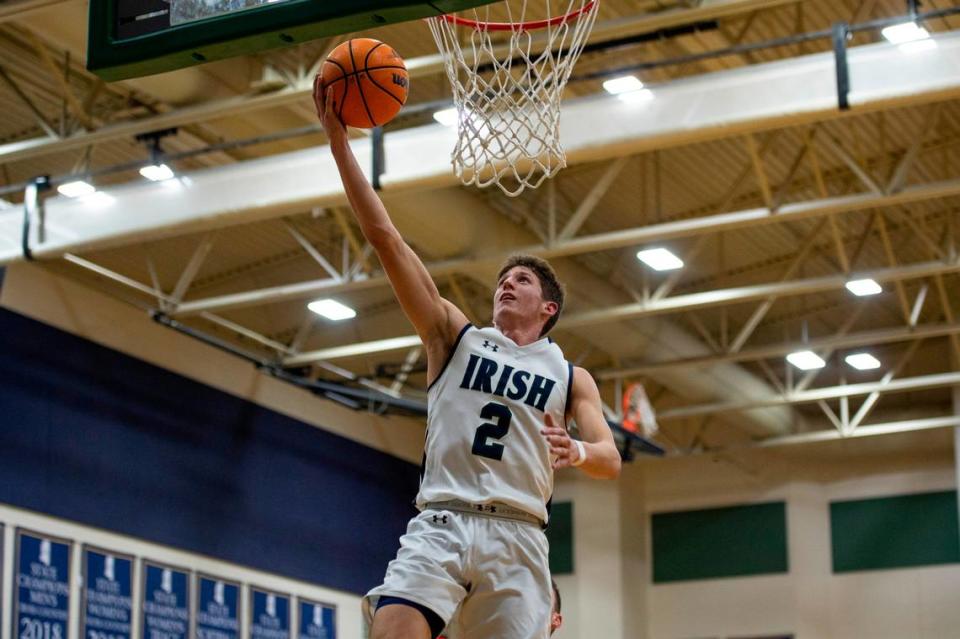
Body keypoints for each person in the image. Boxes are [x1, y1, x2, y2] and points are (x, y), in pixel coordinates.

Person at [314, 76, 621, 639]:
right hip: (443, 519)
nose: (506, 285)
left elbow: (610, 458)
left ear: (547, 307)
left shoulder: (571, 375)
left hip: (520, 532)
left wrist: (576, 449)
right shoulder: (453, 336)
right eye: (502, 279)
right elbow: (387, 239)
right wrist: (339, 145)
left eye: (522, 280)